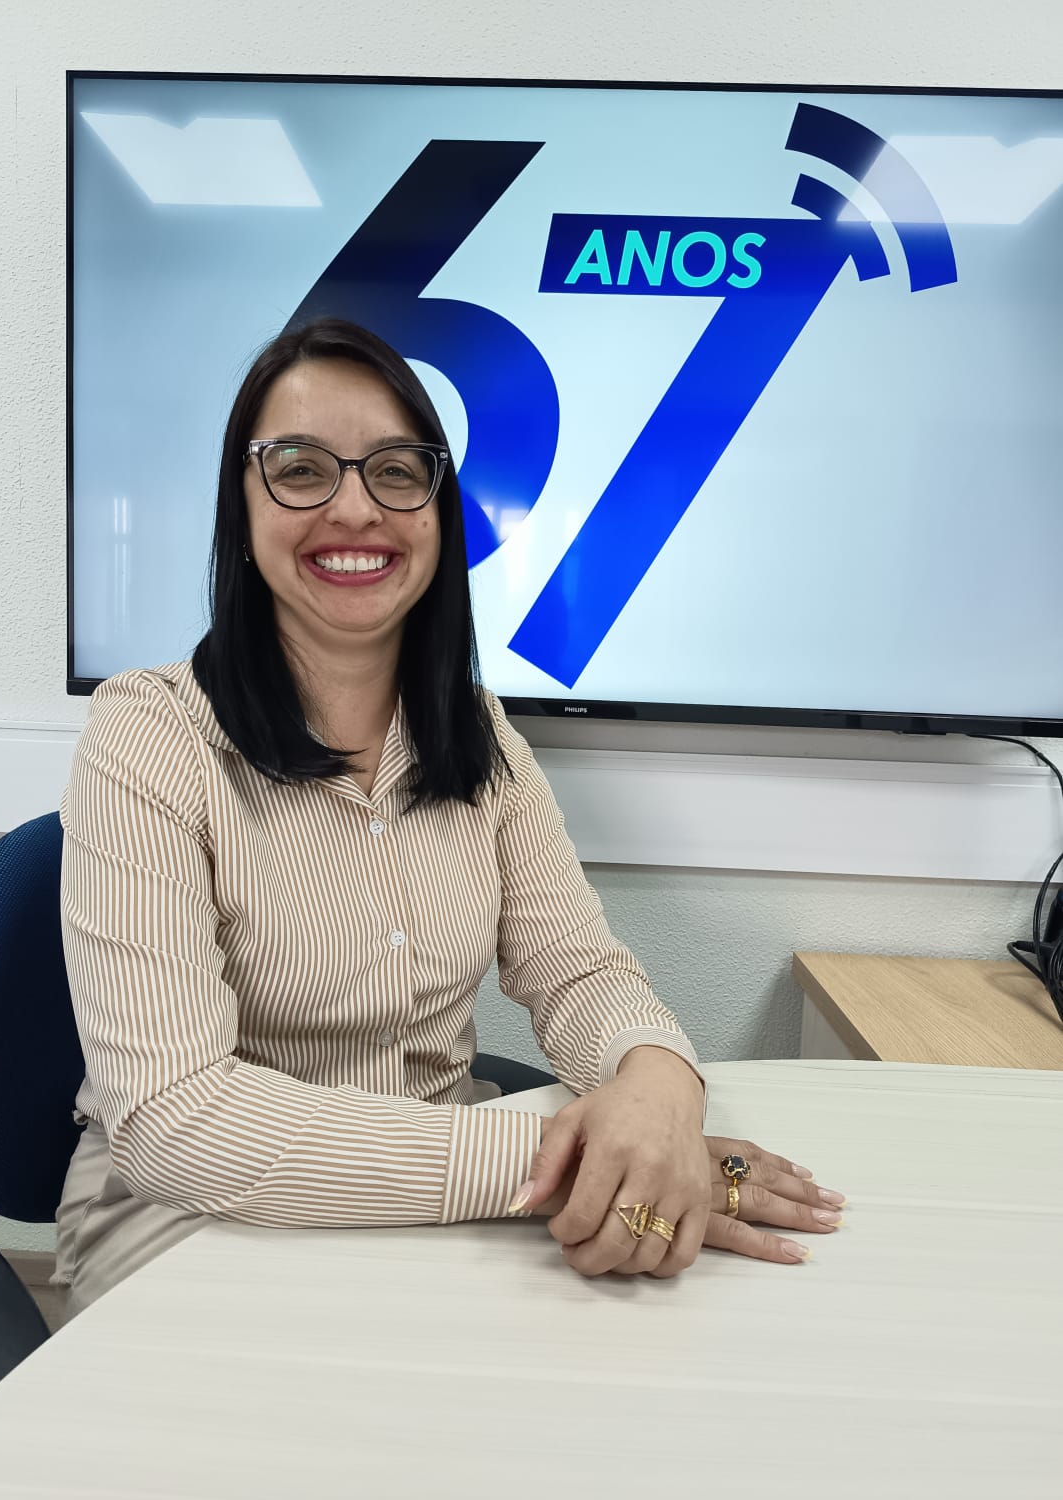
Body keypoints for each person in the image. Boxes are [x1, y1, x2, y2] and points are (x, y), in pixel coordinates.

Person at [53, 319, 844, 1314]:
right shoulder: (148, 735)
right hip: (190, 1226)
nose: (354, 507)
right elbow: (177, 1122)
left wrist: (659, 1095)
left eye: (396, 471)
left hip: (437, 1222)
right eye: (300, 470)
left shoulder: (478, 734)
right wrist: (571, 1160)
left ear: (438, 514)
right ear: (241, 511)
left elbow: (579, 973)